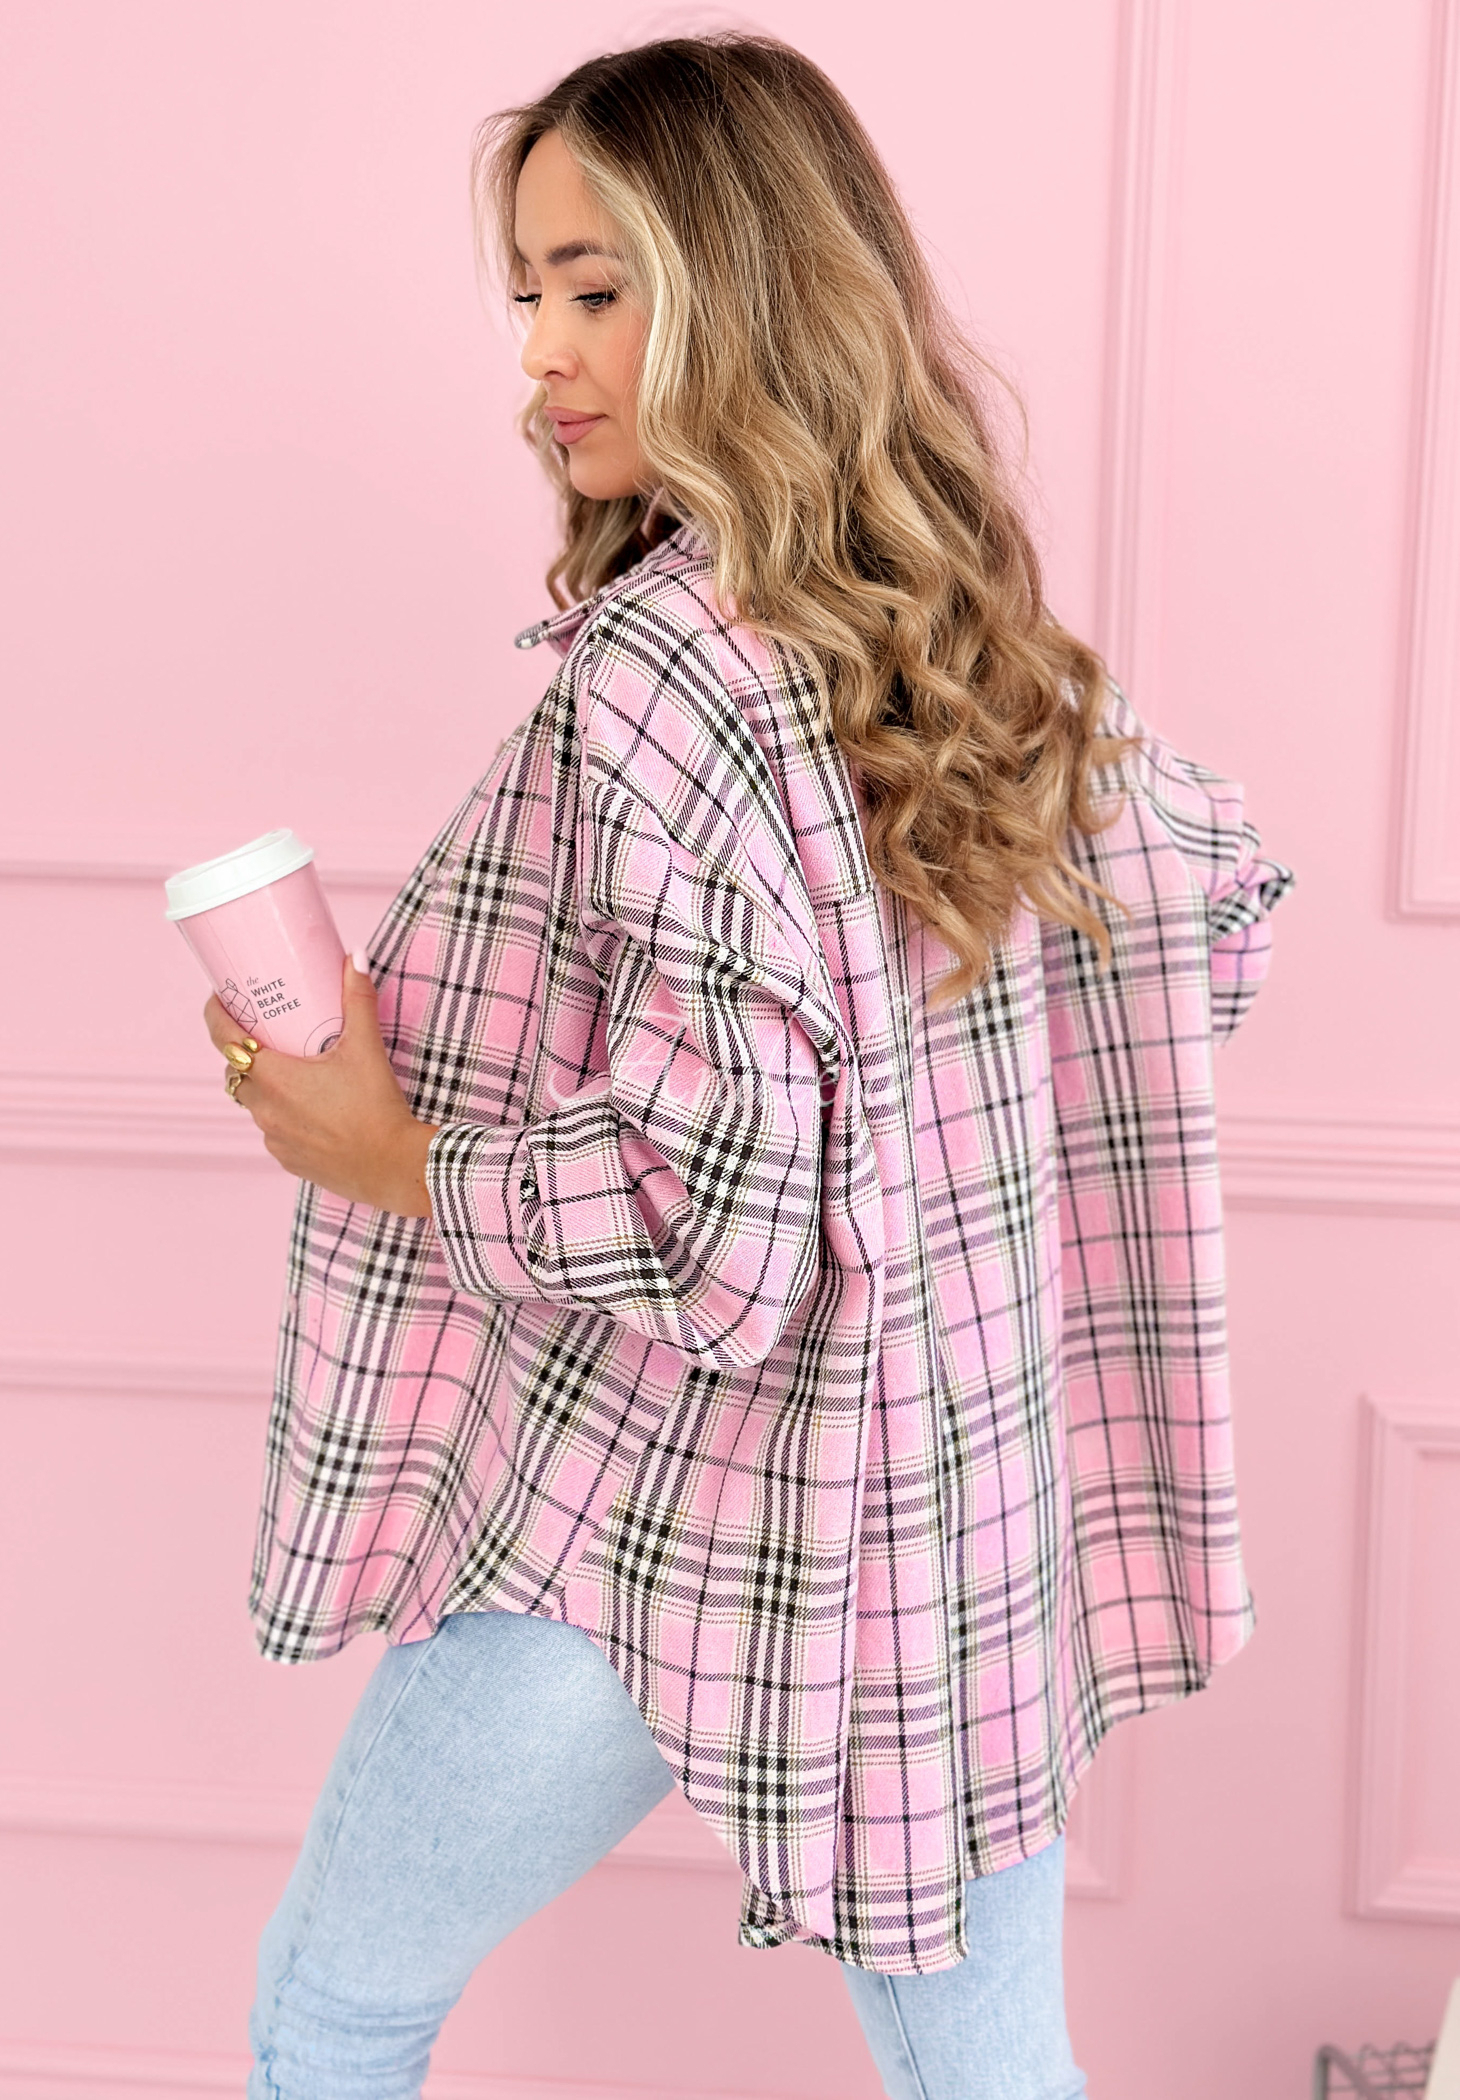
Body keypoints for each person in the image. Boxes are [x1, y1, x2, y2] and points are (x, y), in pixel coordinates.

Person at [207, 35, 1293, 2100]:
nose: (541, 352)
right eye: (526, 293)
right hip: (943, 1521)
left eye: (596, 288)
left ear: (747, 289)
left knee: (329, 2015)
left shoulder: (662, 674)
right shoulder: (960, 627)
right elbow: (1200, 914)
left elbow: (719, 1218)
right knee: (996, 2078)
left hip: (642, 1526)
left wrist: (391, 1149)